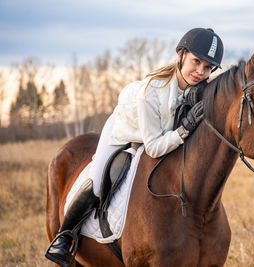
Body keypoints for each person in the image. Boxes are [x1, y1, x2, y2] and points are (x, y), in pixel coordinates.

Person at [45, 27, 224, 266]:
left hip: (158, 135)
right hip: (123, 132)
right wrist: (184, 129)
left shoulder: (200, 86)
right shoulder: (151, 92)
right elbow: (153, 147)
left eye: (208, 67)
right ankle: (65, 237)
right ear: (181, 55)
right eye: (196, 62)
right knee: (98, 181)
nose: (200, 71)